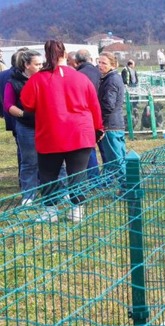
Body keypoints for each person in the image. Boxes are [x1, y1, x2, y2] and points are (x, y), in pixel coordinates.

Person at [20, 40, 103, 223]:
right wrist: (98, 128)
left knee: (49, 175)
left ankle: (50, 211)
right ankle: (77, 210)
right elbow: (94, 106)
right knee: (77, 174)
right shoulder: (81, 78)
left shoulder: (38, 79)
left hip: (51, 134)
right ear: (65, 55)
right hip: (80, 133)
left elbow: (27, 103)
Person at [3, 50, 43, 205]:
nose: (41, 67)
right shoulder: (13, 81)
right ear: (27, 65)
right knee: (29, 160)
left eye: (41, 64)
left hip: (46, 125)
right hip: (26, 126)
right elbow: (8, 105)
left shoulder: (43, 79)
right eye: (37, 64)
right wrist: (24, 114)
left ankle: (60, 190)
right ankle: (29, 195)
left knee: (54, 159)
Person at [96, 52, 127, 187]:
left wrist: (101, 124)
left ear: (112, 65)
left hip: (111, 125)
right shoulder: (112, 78)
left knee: (116, 159)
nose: (100, 65)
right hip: (116, 124)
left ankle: (126, 187)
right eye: (99, 62)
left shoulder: (111, 80)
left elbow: (108, 105)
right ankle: (126, 184)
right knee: (119, 157)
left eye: (104, 63)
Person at [73, 49, 102, 181]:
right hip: (93, 112)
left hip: (84, 114)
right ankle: (95, 177)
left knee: (86, 150)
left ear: (77, 61)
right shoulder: (97, 71)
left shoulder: (80, 75)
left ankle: (92, 178)